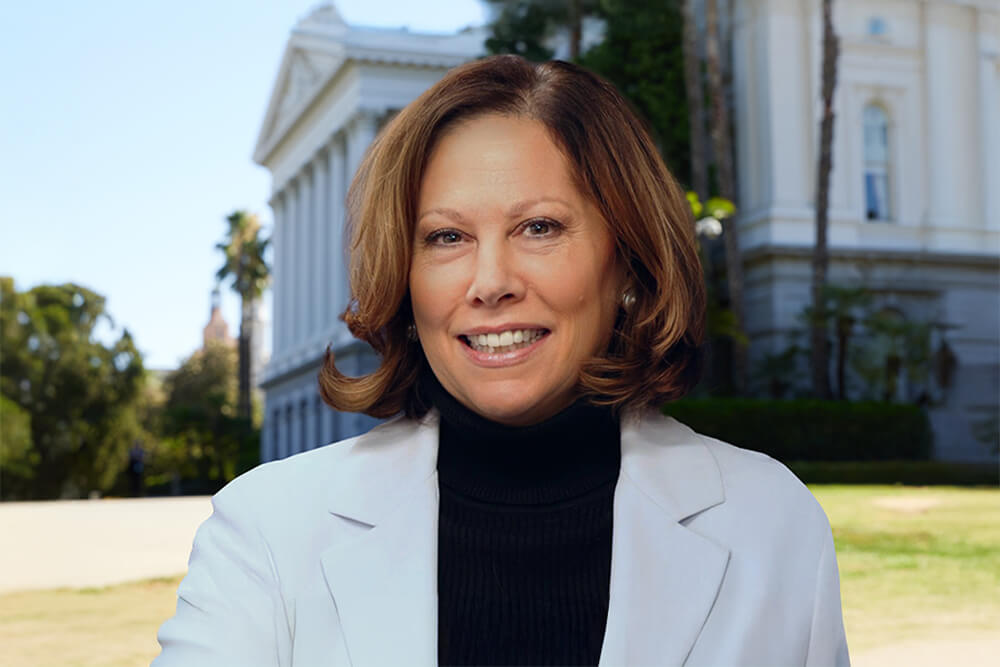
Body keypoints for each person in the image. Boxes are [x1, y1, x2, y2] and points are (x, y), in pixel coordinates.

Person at [155, 55, 850, 666]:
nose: (490, 281)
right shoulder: (267, 531)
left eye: (538, 227)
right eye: (447, 236)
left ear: (629, 258)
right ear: (407, 274)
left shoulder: (772, 523)